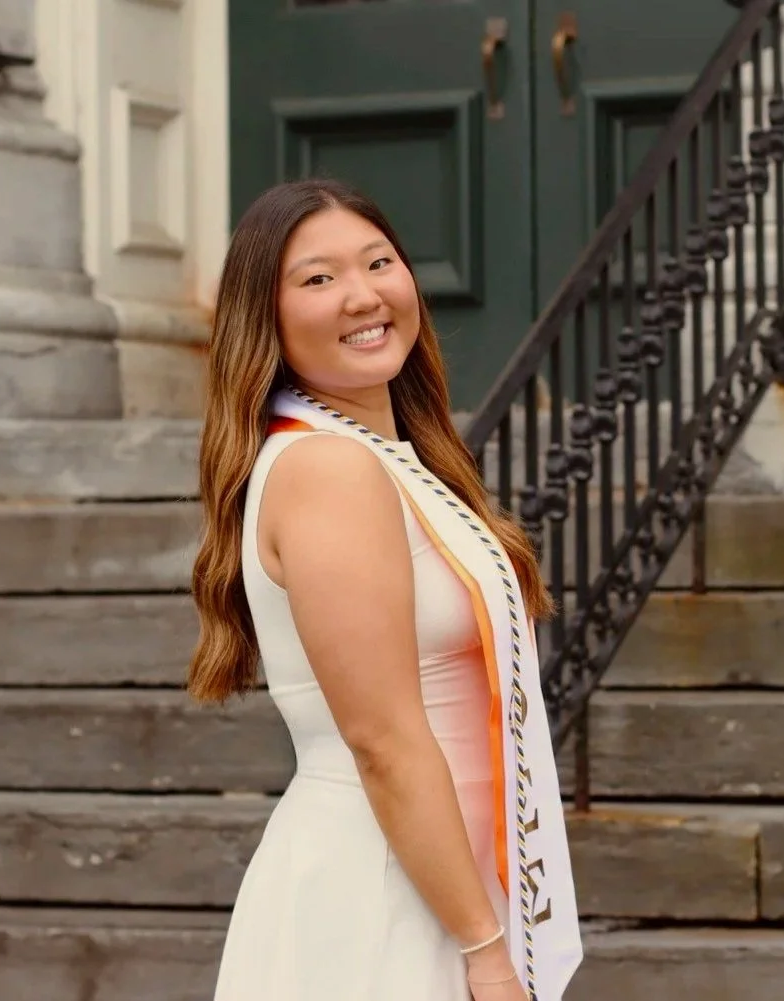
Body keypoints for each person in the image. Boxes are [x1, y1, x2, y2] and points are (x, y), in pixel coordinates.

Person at [188, 178, 583, 1001]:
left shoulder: (396, 460)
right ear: (267, 316)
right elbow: (383, 740)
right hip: (382, 899)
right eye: (318, 278)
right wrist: (486, 952)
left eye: (378, 262)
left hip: (449, 882)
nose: (362, 294)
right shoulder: (329, 469)